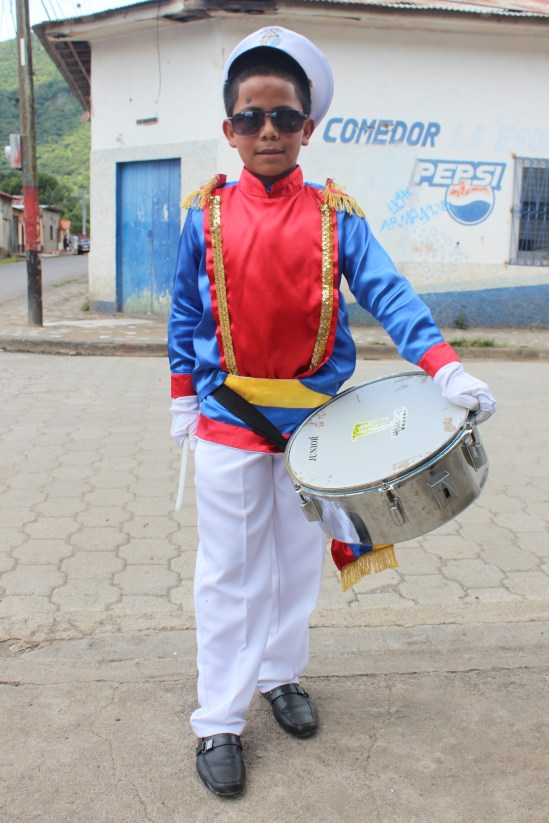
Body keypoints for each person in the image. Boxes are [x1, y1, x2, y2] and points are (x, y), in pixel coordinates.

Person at [168, 25, 496, 797]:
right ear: (229, 131)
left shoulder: (333, 215)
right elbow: (186, 316)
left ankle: (281, 675)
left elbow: (387, 292)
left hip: (315, 432)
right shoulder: (204, 215)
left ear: (307, 128)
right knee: (227, 573)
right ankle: (217, 717)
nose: (268, 131)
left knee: (292, 566)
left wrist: (443, 367)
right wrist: (182, 398)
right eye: (250, 118)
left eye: (284, 116)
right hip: (228, 420)